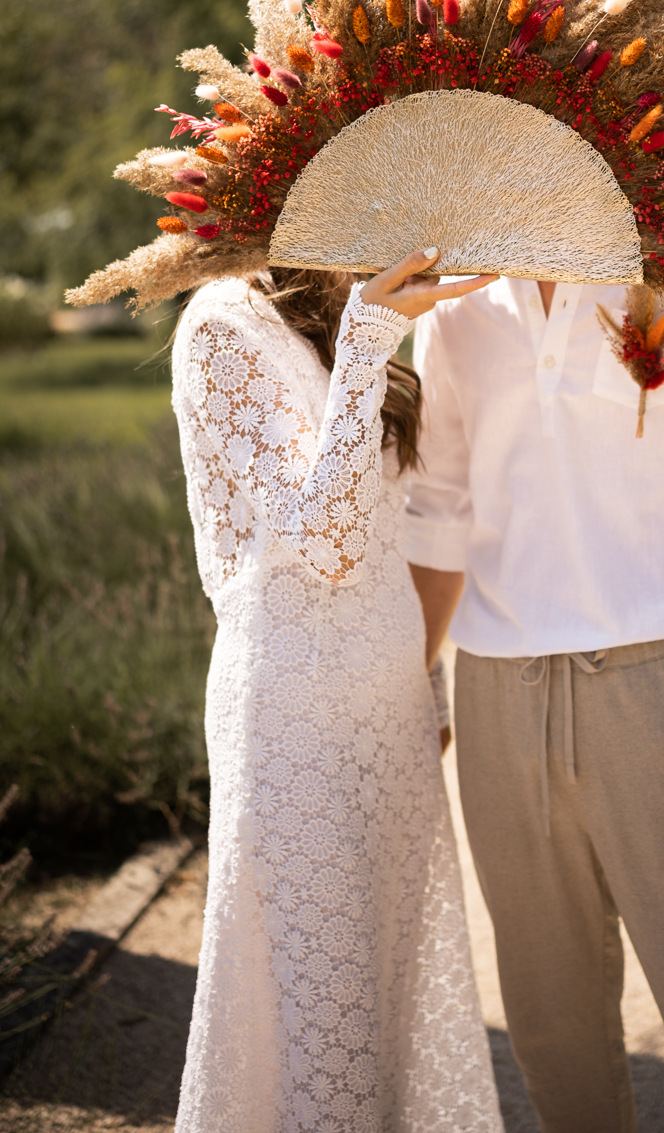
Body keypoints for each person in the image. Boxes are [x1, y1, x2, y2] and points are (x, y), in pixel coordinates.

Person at [406, 270, 664, 1133]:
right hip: (497, 696)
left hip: (662, 691)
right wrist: (418, 681)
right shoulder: (454, 295)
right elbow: (440, 505)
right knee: (552, 1040)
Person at [172, 249, 504, 1133]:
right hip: (298, 718)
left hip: (388, 711)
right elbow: (329, 545)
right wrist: (365, 345)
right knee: (323, 1012)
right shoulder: (221, 325)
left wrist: (425, 680)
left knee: (385, 995)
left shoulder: (340, 314)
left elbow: (390, 533)